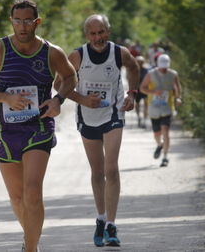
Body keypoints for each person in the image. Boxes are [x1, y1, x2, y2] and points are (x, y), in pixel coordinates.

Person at [0, 0, 77, 252]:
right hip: (4, 131)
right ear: (11, 22)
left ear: (37, 22)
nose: (23, 26)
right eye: (18, 21)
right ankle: (32, 242)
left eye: (28, 20)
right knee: (17, 198)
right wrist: (6, 98)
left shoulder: (52, 52)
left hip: (38, 128)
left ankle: (29, 249)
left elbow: (70, 76)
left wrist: (58, 99)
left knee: (32, 192)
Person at [56, 14, 139, 247]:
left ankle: (112, 225)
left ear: (108, 32)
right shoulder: (77, 56)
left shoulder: (119, 53)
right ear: (86, 35)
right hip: (87, 117)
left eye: (101, 32)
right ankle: (101, 219)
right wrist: (82, 99)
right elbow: (58, 84)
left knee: (111, 169)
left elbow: (134, 67)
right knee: (97, 171)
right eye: (93, 33)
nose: (98, 37)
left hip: (113, 114)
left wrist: (132, 94)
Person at [139, 54, 182, 167]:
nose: (164, 68)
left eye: (166, 66)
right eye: (162, 66)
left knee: (165, 131)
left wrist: (178, 98)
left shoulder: (173, 74)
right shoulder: (151, 74)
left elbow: (178, 88)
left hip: (167, 108)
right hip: (153, 108)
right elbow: (142, 88)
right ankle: (160, 144)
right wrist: (153, 92)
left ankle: (165, 157)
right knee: (157, 133)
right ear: (158, 64)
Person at [135, 55, 150, 128]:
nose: (139, 63)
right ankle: (139, 117)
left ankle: (145, 119)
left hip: (144, 89)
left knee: (146, 104)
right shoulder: (133, 70)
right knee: (137, 104)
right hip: (136, 90)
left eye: (141, 62)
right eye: (138, 62)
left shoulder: (146, 70)